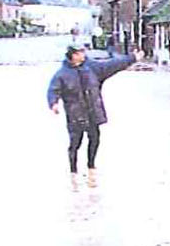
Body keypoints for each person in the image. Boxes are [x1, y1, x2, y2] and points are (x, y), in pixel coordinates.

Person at [47, 44, 134, 174]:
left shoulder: (93, 68)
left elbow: (112, 64)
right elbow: (53, 90)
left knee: (95, 138)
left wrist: (131, 58)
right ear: (73, 55)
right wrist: (53, 104)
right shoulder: (62, 74)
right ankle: (73, 171)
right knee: (75, 143)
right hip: (75, 114)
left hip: (93, 111)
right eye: (80, 52)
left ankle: (91, 166)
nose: (84, 55)